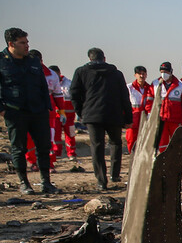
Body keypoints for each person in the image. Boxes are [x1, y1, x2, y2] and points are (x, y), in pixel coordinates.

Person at [0, 27, 59, 194]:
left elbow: (42, 85)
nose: (27, 46)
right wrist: (2, 111)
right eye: (22, 43)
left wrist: (47, 107)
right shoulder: (2, 61)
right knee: (19, 148)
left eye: (27, 42)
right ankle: (24, 183)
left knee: (44, 147)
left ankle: (46, 182)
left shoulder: (33, 61)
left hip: (38, 111)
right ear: (11, 44)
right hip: (15, 112)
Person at [69, 47, 131, 191]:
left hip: (92, 115)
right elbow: (124, 97)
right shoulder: (116, 73)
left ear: (89, 59)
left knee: (97, 147)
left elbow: (74, 95)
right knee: (115, 143)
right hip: (114, 114)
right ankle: (114, 174)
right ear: (104, 58)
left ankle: (101, 181)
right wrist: (128, 118)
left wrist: (82, 112)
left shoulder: (81, 72)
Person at [151, 62, 182, 153]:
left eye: (166, 71)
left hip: (175, 119)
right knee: (162, 141)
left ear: (171, 72)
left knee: (177, 141)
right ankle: (163, 159)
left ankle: (176, 161)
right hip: (161, 119)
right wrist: (150, 113)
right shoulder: (155, 84)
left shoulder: (180, 85)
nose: (163, 74)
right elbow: (149, 101)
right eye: (162, 71)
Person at [49, 65, 77, 163]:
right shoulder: (50, 83)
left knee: (70, 134)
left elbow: (74, 98)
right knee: (55, 135)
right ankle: (57, 153)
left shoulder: (69, 84)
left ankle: (72, 153)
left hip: (69, 117)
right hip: (56, 116)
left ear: (59, 73)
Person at [126, 66, 153, 154]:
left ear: (146, 75)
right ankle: (132, 157)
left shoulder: (150, 88)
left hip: (145, 119)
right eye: (139, 74)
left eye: (143, 74)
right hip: (132, 119)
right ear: (135, 75)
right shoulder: (129, 88)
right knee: (131, 140)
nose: (141, 76)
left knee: (145, 140)